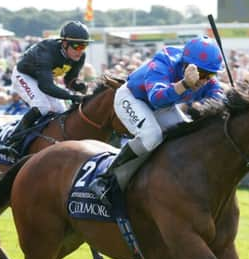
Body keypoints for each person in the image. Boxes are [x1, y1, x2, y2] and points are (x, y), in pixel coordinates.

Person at [88, 35, 224, 205]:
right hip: (132, 97)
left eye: (209, 75)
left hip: (163, 105)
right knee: (152, 136)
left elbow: (219, 96)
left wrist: (230, 100)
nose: (203, 80)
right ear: (186, 65)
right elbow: (156, 98)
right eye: (200, 73)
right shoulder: (164, 61)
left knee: (186, 136)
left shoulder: (206, 79)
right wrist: (184, 84)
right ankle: (106, 179)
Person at [4, 20, 91, 150]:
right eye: (77, 46)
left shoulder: (79, 57)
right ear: (65, 43)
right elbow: (46, 87)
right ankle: (13, 141)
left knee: (61, 110)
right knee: (42, 106)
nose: (80, 51)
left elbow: (69, 81)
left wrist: (79, 87)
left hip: (43, 79)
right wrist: (72, 97)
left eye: (83, 46)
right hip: (24, 75)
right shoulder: (47, 52)